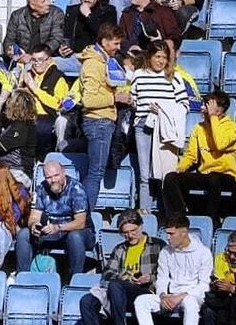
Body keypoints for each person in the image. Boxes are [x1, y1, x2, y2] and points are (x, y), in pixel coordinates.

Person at [162, 91, 236, 222]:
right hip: (206, 174)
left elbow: (220, 144)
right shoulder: (199, 128)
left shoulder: (231, 127)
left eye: (207, 105)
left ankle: (212, 220)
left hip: (227, 176)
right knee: (171, 178)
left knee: (214, 178)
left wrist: (213, 117)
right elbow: (191, 155)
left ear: (219, 109)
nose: (202, 108)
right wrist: (180, 168)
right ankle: (179, 219)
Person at [76, 211, 163, 325]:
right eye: (125, 233)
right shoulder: (119, 249)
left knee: (116, 285)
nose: (130, 235)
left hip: (145, 291)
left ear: (141, 226)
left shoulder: (157, 246)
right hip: (119, 292)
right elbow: (107, 274)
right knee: (86, 301)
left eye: (133, 231)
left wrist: (149, 278)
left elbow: (167, 274)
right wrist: (127, 278)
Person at [133, 215, 211, 325]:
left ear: (184, 232)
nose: (168, 237)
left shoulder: (203, 253)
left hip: (192, 295)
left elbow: (204, 284)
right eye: (167, 233)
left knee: (190, 303)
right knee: (141, 301)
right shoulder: (165, 252)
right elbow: (162, 278)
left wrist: (181, 296)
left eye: (171, 233)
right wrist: (163, 295)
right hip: (170, 296)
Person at [130, 42, 189, 214]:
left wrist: (164, 110)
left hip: (165, 128)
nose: (161, 61)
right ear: (150, 57)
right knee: (144, 172)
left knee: (166, 171)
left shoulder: (174, 76)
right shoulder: (138, 75)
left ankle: (168, 212)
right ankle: (145, 210)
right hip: (143, 125)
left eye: (164, 57)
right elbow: (134, 101)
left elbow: (184, 105)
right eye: (157, 56)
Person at [79, 25, 130, 212]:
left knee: (95, 171)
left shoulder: (103, 61)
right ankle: (85, 215)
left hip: (102, 121)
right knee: (96, 173)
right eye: (115, 43)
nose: (118, 47)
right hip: (98, 122)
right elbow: (89, 100)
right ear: (104, 41)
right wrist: (115, 98)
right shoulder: (93, 65)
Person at [16, 159, 92, 277]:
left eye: (56, 175)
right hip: (51, 231)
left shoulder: (77, 189)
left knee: (75, 236)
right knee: (24, 234)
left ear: (63, 172)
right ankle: (22, 276)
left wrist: (58, 227)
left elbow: (80, 222)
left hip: (78, 232)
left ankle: (76, 279)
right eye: (49, 177)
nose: (53, 180)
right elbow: (34, 216)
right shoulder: (41, 189)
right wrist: (34, 225)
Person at [17, 45, 73, 151]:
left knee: (38, 128)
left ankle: (40, 157)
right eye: (34, 60)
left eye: (41, 60)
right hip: (27, 114)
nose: (37, 63)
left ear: (49, 60)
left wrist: (35, 89)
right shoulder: (29, 75)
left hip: (47, 115)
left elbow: (58, 105)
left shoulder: (58, 78)